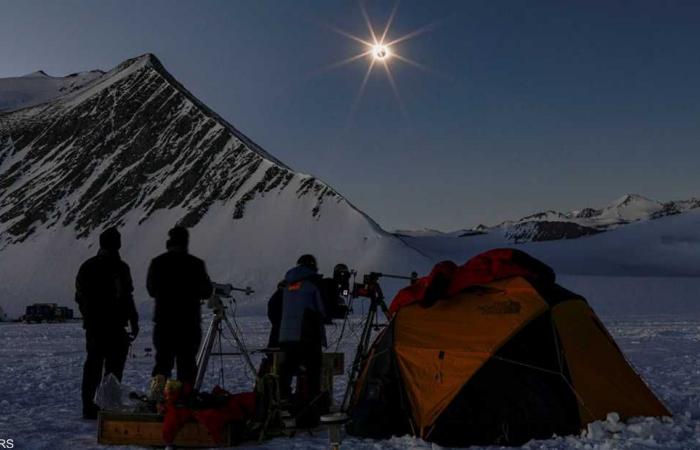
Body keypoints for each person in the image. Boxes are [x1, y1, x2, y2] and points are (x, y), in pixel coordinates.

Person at [75, 227, 139, 420]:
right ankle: (108, 404)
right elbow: (127, 297)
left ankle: (88, 406)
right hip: (114, 327)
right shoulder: (120, 268)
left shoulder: (87, 267)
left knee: (93, 366)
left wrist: (89, 316)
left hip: (95, 327)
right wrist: (133, 321)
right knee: (114, 368)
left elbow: (79, 296)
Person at [147, 226, 213, 388]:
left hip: (165, 323)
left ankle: (158, 399)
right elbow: (206, 291)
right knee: (187, 366)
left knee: (162, 364)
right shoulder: (196, 264)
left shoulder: (158, 263)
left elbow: (151, 289)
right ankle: (185, 401)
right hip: (189, 325)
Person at [278, 254, 327, 426]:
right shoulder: (312, 283)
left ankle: (282, 403)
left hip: (285, 335)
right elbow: (322, 308)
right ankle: (311, 409)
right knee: (313, 371)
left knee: (287, 370)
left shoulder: (287, 284)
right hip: (306, 334)